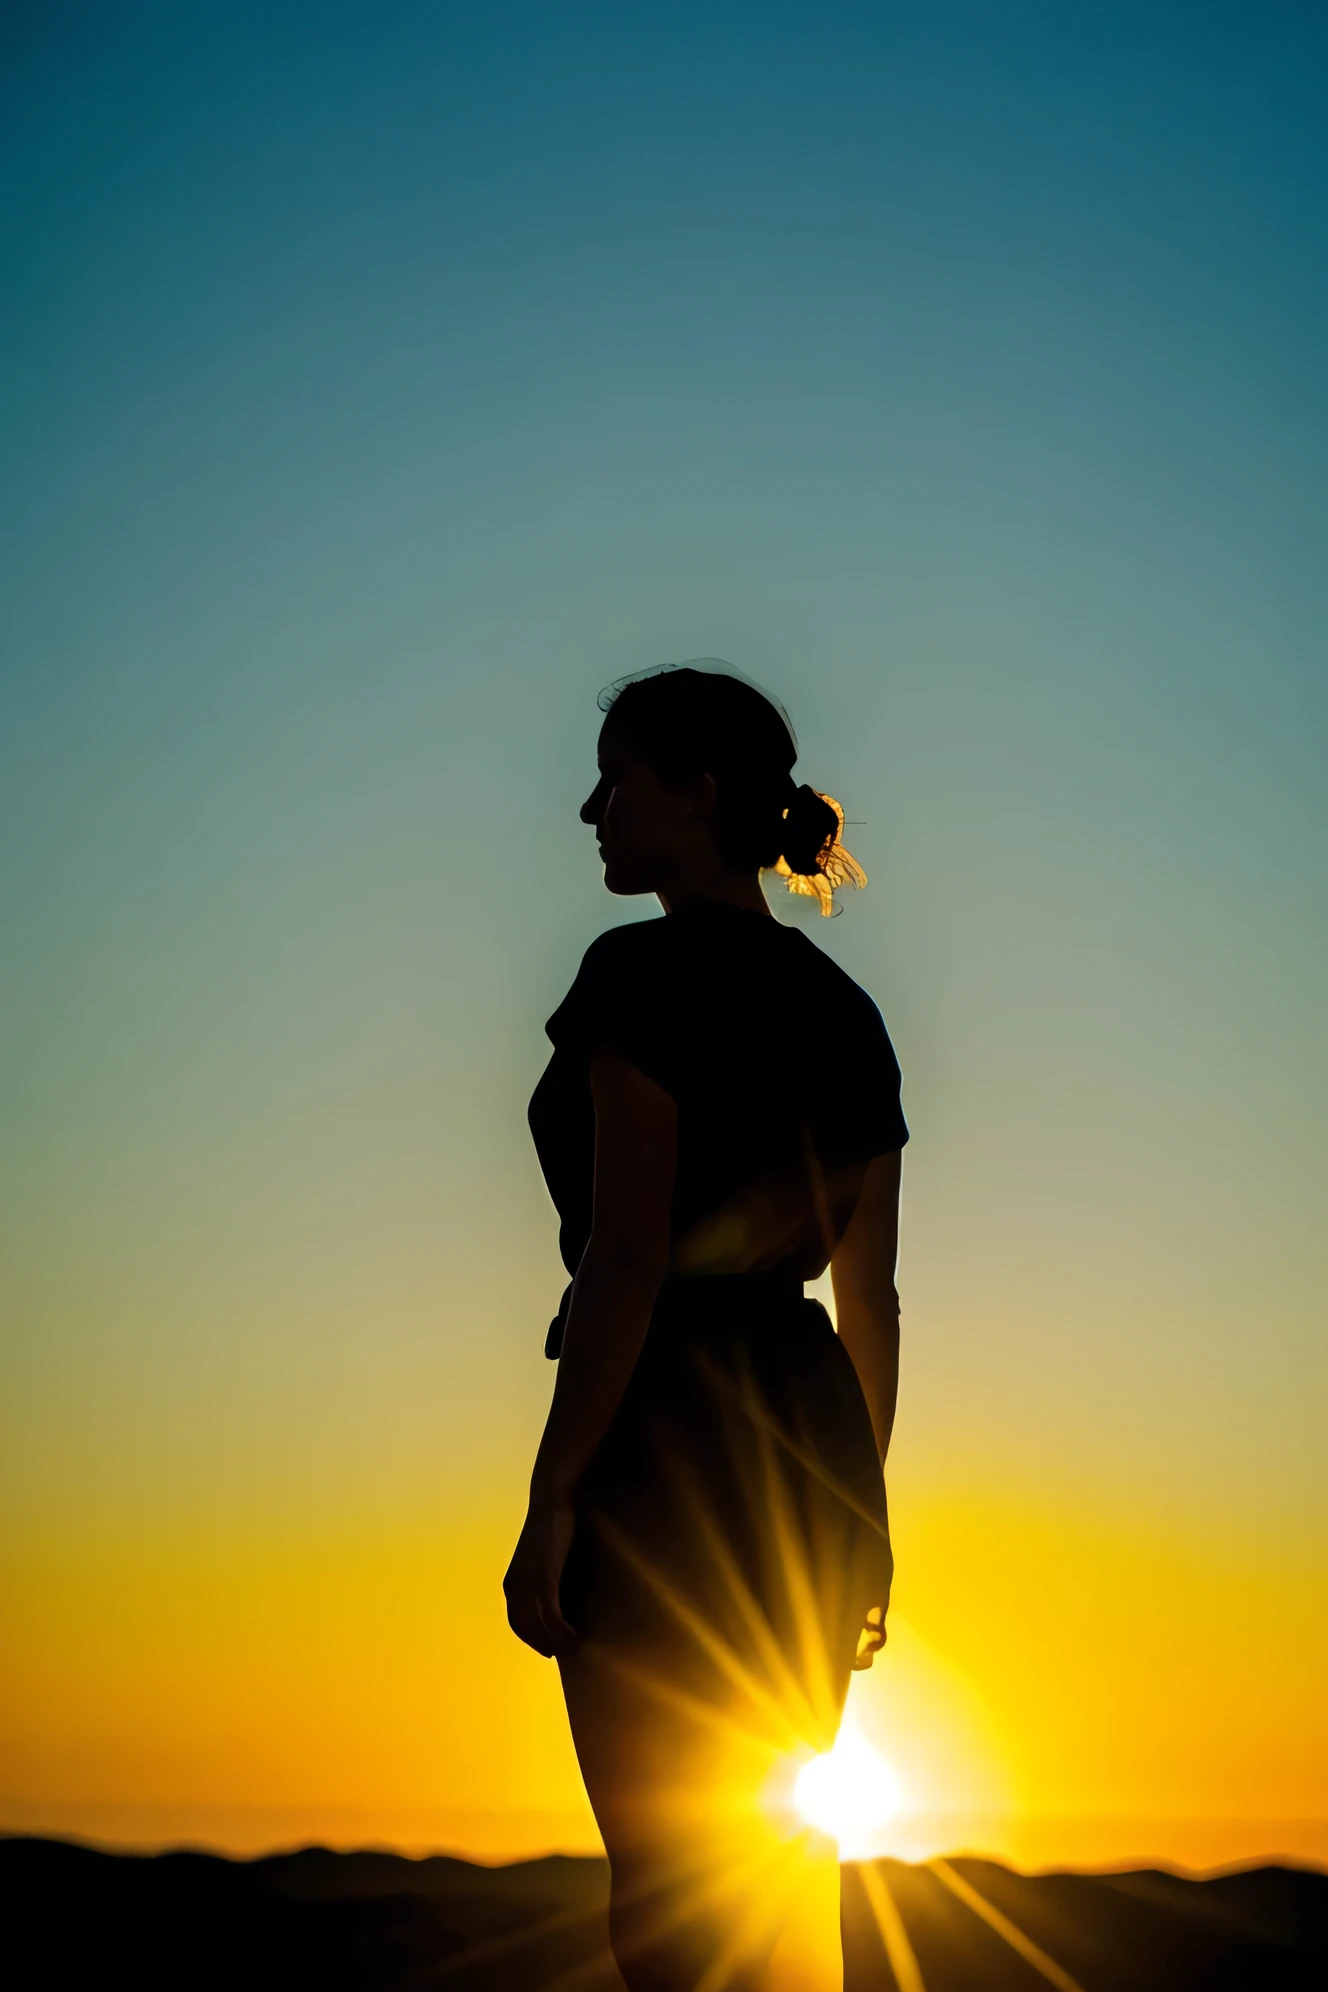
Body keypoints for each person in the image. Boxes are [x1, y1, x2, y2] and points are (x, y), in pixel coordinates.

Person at [505, 662, 907, 1991]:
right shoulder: (850, 1014)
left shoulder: (635, 977)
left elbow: (628, 1258)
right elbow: (873, 1298)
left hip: (661, 1433)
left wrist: (554, 1495)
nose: (589, 809)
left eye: (617, 779)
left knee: (673, 1903)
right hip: (813, 1453)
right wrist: (868, 1513)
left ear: (696, 794)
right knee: (782, 1883)